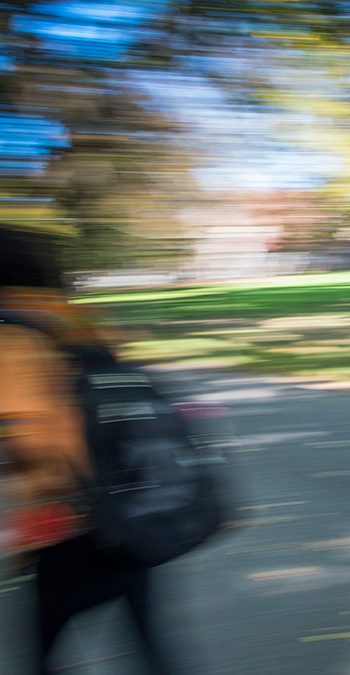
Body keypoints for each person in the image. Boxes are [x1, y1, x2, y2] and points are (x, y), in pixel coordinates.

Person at [0, 226, 171, 674]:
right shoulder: (82, 318)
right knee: (153, 649)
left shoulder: (10, 337)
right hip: (132, 503)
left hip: (68, 520)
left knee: (41, 657)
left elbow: (30, 439)